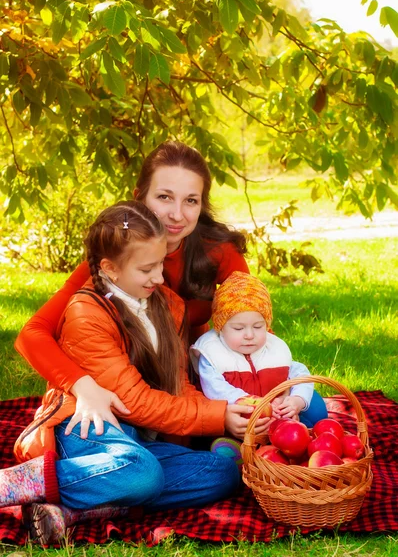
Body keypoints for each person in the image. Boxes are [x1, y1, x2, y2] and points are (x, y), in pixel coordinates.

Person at [5, 202, 264, 544]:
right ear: (110, 268)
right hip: (86, 429)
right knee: (143, 472)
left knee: (221, 472)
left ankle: (81, 509)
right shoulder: (87, 314)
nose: (159, 277)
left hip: (138, 440)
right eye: (147, 269)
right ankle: (16, 484)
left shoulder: (167, 304)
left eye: (160, 264)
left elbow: (178, 385)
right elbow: (134, 402)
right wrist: (217, 417)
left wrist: (225, 412)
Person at [15, 141, 250, 437]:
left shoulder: (220, 251)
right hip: (125, 373)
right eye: (164, 197)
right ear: (139, 198)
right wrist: (83, 386)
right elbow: (32, 334)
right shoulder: (117, 257)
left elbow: (253, 325)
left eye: (191, 200)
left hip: (194, 374)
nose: (177, 215)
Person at [190, 271, 328, 459]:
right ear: (221, 327)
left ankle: (289, 443)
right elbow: (216, 389)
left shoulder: (273, 349)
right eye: (238, 328)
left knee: (315, 408)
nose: (249, 335)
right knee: (223, 438)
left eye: (258, 326)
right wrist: (258, 405)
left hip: (275, 414)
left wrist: (295, 401)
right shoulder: (213, 353)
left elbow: (300, 373)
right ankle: (237, 451)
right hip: (240, 416)